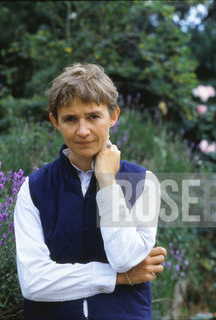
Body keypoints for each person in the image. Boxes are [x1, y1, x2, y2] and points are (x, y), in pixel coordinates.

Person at [14, 62, 166, 320]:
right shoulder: (33, 189)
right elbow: (34, 283)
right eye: (70, 119)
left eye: (93, 116)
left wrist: (107, 180)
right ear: (55, 121)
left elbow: (124, 258)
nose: (82, 131)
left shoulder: (144, 183)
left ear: (113, 116)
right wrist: (117, 278)